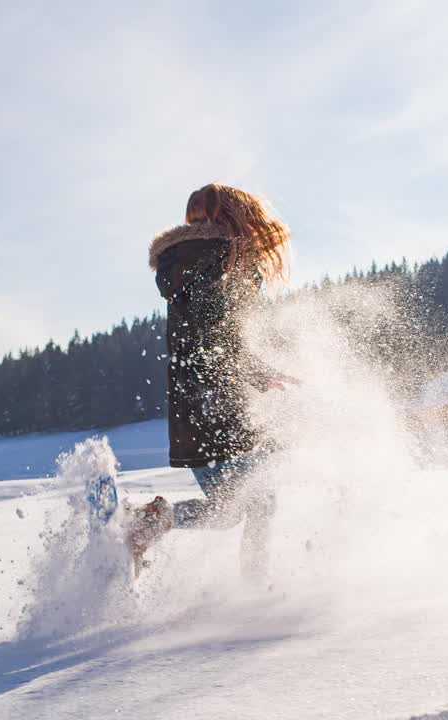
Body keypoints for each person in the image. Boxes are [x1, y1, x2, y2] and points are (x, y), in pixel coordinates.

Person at [127, 183, 297, 578]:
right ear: (237, 216)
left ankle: (150, 521)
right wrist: (257, 372)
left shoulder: (187, 260)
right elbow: (216, 331)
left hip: (197, 398)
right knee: (242, 505)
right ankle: (152, 523)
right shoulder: (221, 258)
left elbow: (207, 333)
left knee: (245, 503)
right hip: (217, 398)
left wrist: (256, 371)